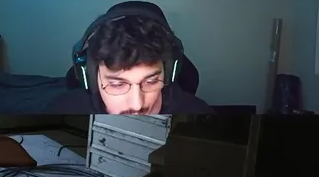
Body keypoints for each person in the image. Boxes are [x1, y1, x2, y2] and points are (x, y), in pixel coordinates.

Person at [48, 8, 213, 115]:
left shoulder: (197, 114)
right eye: (117, 84)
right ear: (91, 78)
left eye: (151, 81)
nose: (137, 105)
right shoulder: (61, 110)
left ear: (169, 72)